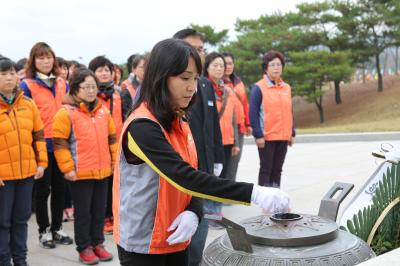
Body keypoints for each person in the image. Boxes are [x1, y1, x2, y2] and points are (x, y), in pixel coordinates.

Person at [113, 38, 290, 266]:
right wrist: (254, 193)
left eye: (195, 78)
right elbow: (184, 176)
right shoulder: (142, 126)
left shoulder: (179, 119)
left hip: (176, 232)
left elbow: (193, 172)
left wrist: (194, 211)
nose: (192, 87)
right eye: (185, 78)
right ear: (160, 76)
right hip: (143, 241)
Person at [52, 69, 116, 265]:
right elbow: (60, 143)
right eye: (86, 87)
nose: (90, 91)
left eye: (93, 87)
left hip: (103, 170)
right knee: (83, 213)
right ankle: (84, 247)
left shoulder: (103, 111)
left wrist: (114, 163)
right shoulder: (66, 113)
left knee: (99, 210)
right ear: (76, 88)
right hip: (80, 173)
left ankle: (98, 243)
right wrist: (67, 168)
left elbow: (112, 139)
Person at [172, 28, 225, 266]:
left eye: (201, 49)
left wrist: (217, 158)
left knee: (198, 241)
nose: (198, 53)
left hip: (202, 172)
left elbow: (212, 125)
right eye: (191, 48)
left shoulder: (203, 84)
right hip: (177, 177)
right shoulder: (161, 90)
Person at [19, 42, 73, 249]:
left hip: (61, 144)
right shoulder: (27, 85)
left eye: (48, 57)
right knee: (42, 191)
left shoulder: (61, 83)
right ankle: (44, 231)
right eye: (40, 58)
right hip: (41, 145)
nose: (45, 61)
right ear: (33, 61)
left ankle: (57, 228)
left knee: (60, 188)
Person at [0, 57, 47, 266]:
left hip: (27, 172)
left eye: (11, 73)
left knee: (21, 220)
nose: (9, 77)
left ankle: (20, 259)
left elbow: (39, 135)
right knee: (2, 222)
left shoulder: (27, 104)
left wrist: (42, 162)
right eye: (3, 74)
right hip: (3, 177)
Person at [88, 56, 131, 235]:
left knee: (117, 182)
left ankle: (114, 215)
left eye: (107, 70)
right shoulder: (90, 94)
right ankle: (103, 216)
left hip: (118, 144)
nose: (104, 73)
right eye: (100, 70)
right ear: (93, 73)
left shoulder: (120, 93)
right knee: (102, 183)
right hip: (97, 144)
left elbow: (127, 116)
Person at [249, 49, 295, 188]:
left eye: (279, 64)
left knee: (278, 169)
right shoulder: (258, 88)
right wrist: (258, 135)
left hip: (283, 136)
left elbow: (289, 111)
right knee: (266, 169)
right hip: (266, 137)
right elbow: (253, 112)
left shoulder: (286, 87)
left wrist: (291, 133)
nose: (276, 68)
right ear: (266, 68)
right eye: (273, 65)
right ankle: (265, 199)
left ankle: (276, 196)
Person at [222, 52, 251, 182]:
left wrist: (248, 124)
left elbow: (245, 104)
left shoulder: (238, 82)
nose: (228, 66)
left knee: (235, 161)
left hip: (240, 126)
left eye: (230, 63)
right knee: (225, 161)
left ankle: (231, 188)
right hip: (226, 127)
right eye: (225, 63)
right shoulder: (219, 83)